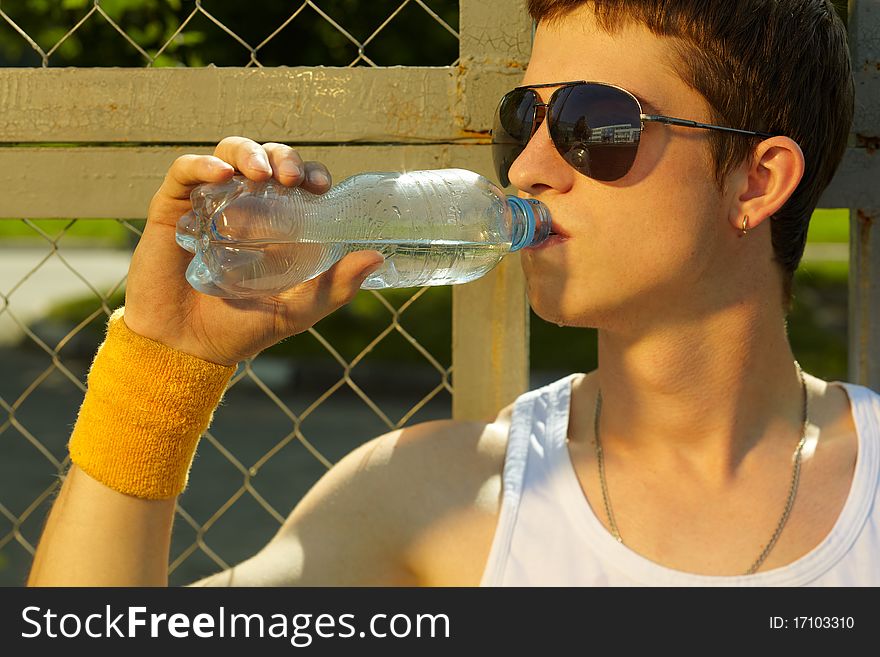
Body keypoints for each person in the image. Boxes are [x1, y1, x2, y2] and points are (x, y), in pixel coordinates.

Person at [28, 0, 879, 587]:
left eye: (594, 126)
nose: (530, 167)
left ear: (757, 183)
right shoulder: (433, 495)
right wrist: (163, 366)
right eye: (525, 119)